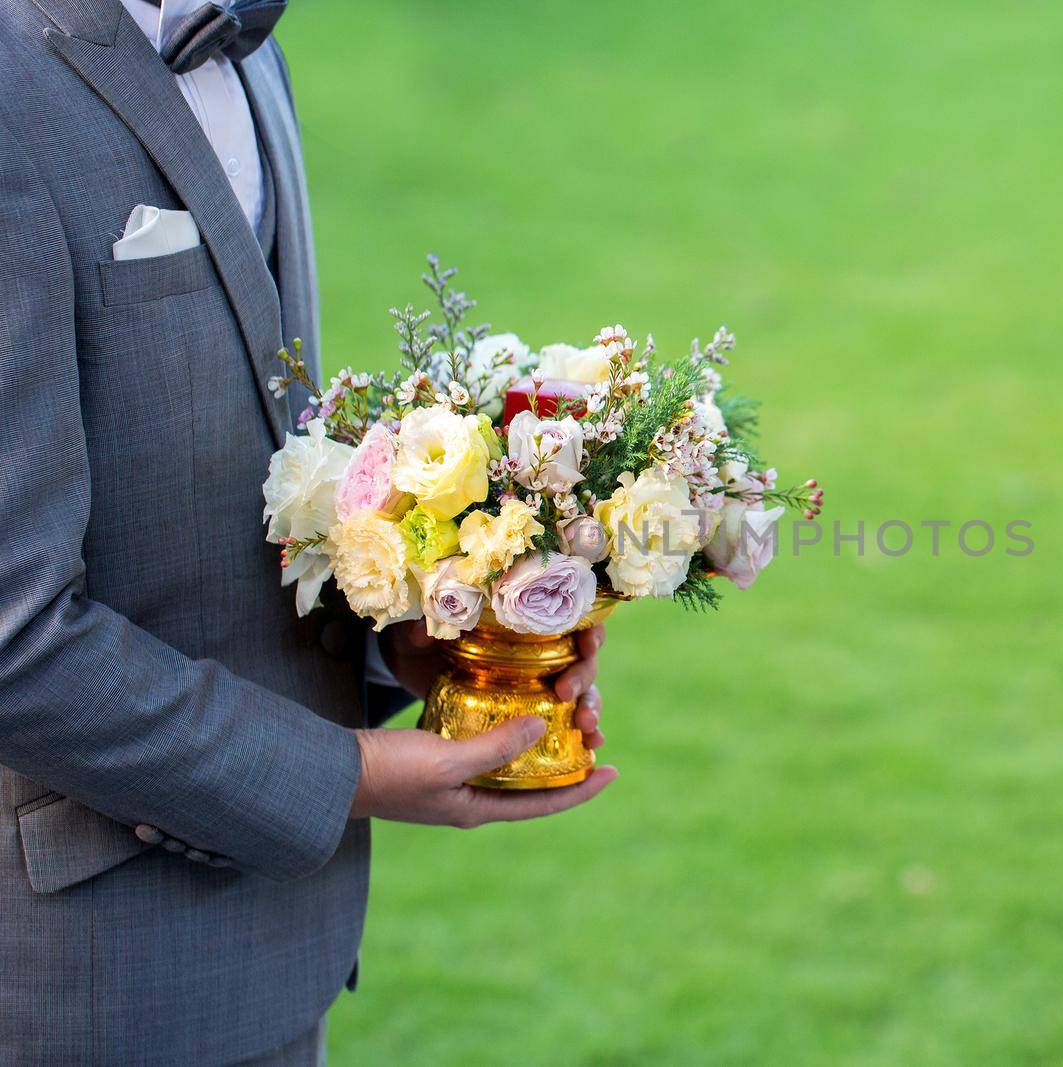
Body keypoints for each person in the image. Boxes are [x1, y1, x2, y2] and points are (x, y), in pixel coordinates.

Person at [0, 0, 616, 1061]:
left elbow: (235, 473)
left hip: (276, 951)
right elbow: (14, 635)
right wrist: (346, 775)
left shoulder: (248, 40)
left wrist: (414, 634)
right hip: (87, 977)